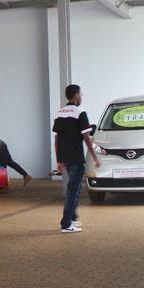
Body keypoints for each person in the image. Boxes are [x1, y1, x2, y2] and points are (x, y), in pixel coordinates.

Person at [52, 84, 100, 233]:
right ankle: (66, 224)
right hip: (76, 158)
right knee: (73, 190)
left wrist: (59, 160)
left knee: (75, 188)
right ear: (76, 95)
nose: (81, 97)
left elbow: (56, 140)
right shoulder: (80, 113)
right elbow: (86, 138)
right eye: (81, 94)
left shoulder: (59, 114)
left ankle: (72, 218)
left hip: (65, 158)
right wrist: (94, 157)